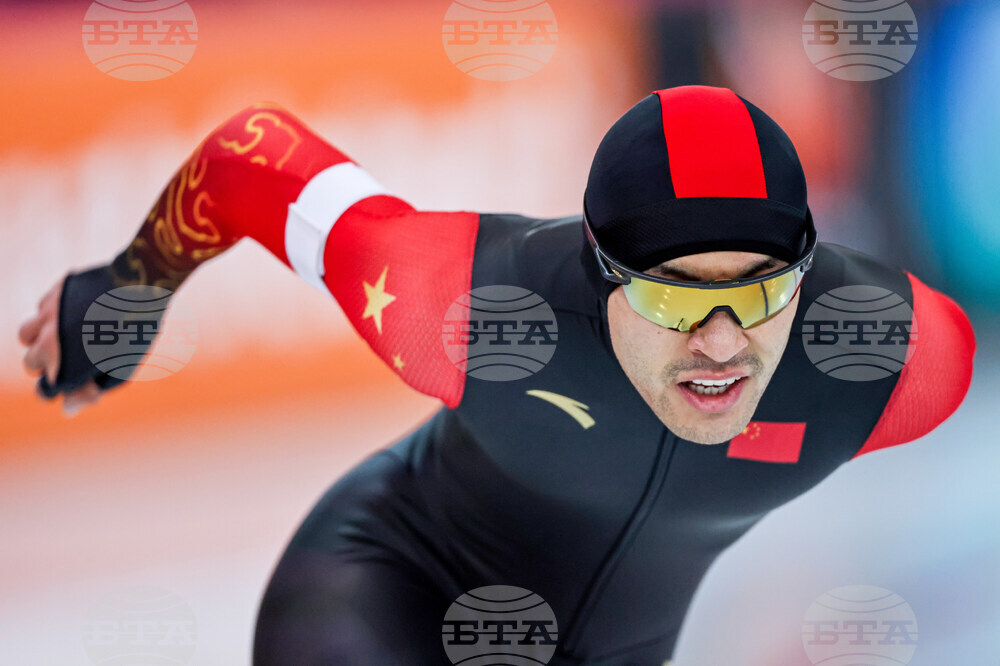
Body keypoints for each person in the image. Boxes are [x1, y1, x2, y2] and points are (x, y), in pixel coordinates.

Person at [18, 85, 976, 665]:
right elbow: (251, 156)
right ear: (601, 276)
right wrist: (125, 294)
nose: (722, 342)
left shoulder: (898, 360)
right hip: (384, 595)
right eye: (673, 297)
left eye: (760, 291)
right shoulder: (470, 306)